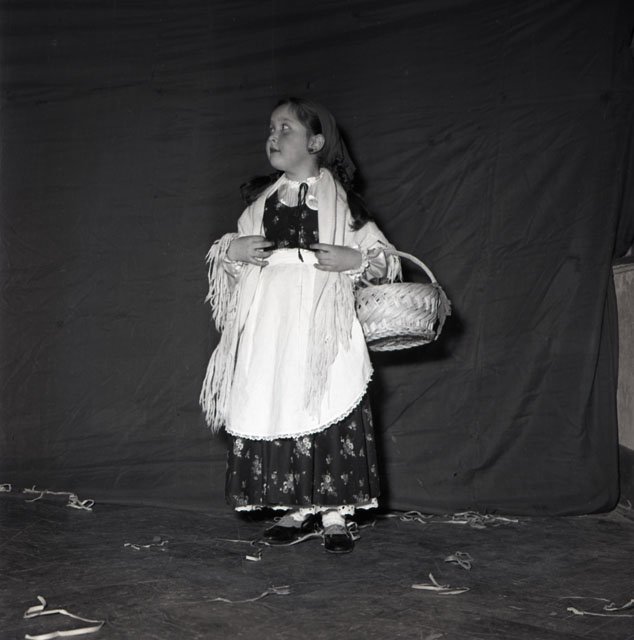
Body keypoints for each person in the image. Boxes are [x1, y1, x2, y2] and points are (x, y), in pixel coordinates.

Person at [200, 97, 400, 553]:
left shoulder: (342, 204)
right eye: (270, 129)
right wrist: (234, 251)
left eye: (285, 128)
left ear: (315, 142)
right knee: (281, 400)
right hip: (272, 323)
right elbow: (230, 266)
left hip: (321, 322)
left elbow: (384, 260)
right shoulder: (260, 205)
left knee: (325, 398)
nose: (273, 136)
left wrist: (354, 259)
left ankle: (334, 512)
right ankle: (297, 506)